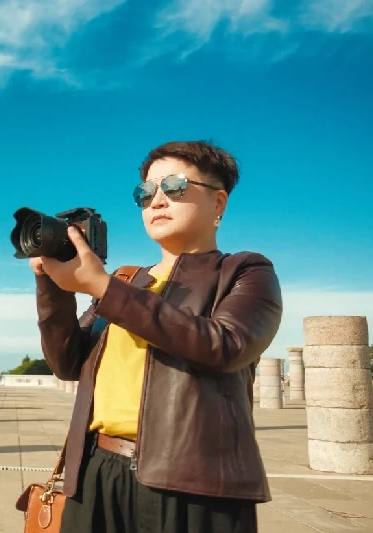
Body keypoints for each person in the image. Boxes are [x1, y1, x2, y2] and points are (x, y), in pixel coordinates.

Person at [30, 141, 282, 533]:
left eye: (176, 187)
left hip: (193, 483)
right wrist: (52, 286)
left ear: (218, 204)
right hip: (96, 471)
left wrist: (101, 287)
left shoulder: (244, 272)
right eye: (145, 193)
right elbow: (66, 363)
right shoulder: (127, 280)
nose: (157, 200)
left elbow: (224, 346)